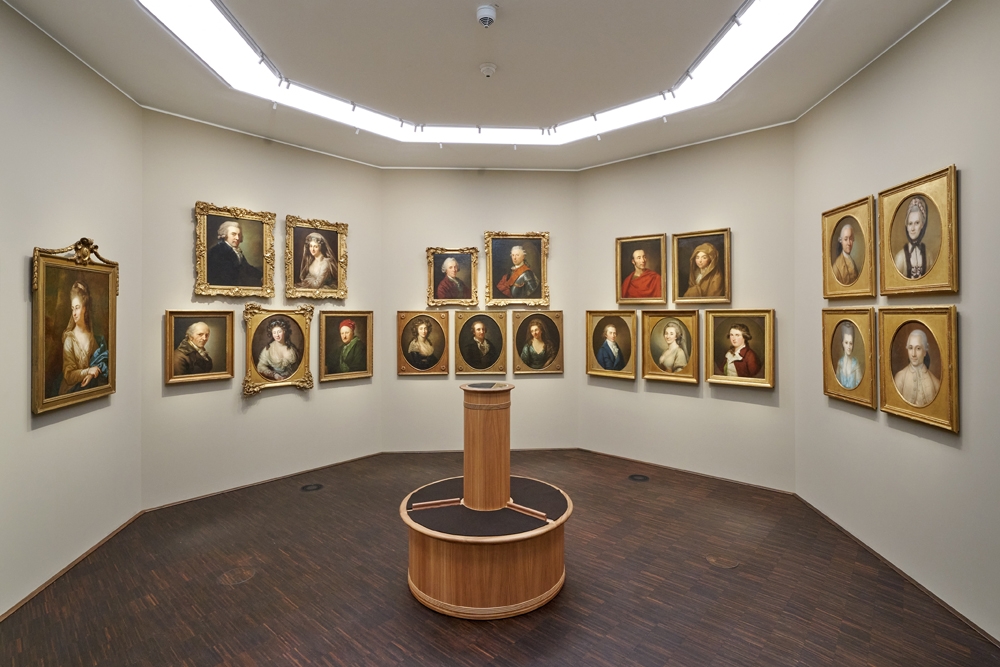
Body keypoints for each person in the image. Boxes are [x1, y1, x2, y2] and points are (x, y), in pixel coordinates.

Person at [58, 280, 109, 395]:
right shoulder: (69, 340)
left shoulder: (91, 335)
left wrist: (90, 374)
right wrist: (88, 371)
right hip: (71, 391)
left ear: (84, 308)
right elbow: (68, 376)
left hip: (87, 389)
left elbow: (98, 362)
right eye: (72, 308)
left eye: (77, 307)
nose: (74, 313)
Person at [206, 220, 263, 287]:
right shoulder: (217, 251)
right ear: (225, 235)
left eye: (239, 235)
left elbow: (246, 267)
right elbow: (230, 278)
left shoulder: (236, 250)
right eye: (233, 234)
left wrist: (262, 275)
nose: (237, 238)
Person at [893, 329, 941, 407]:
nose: (913, 354)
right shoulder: (899, 378)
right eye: (910, 348)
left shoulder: (936, 383)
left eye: (918, 348)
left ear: (925, 352)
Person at [893, 196, 931, 280]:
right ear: (907, 227)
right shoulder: (900, 257)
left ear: (922, 225)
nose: (912, 228)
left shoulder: (928, 255)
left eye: (916, 223)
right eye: (910, 224)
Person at [835, 322, 862, 390]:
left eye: (851, 343)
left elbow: (860, 387)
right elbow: (836, 385)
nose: (849, 346)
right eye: (846, 343)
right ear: (843, 344)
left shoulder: (856, 364)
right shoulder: (840, 363)